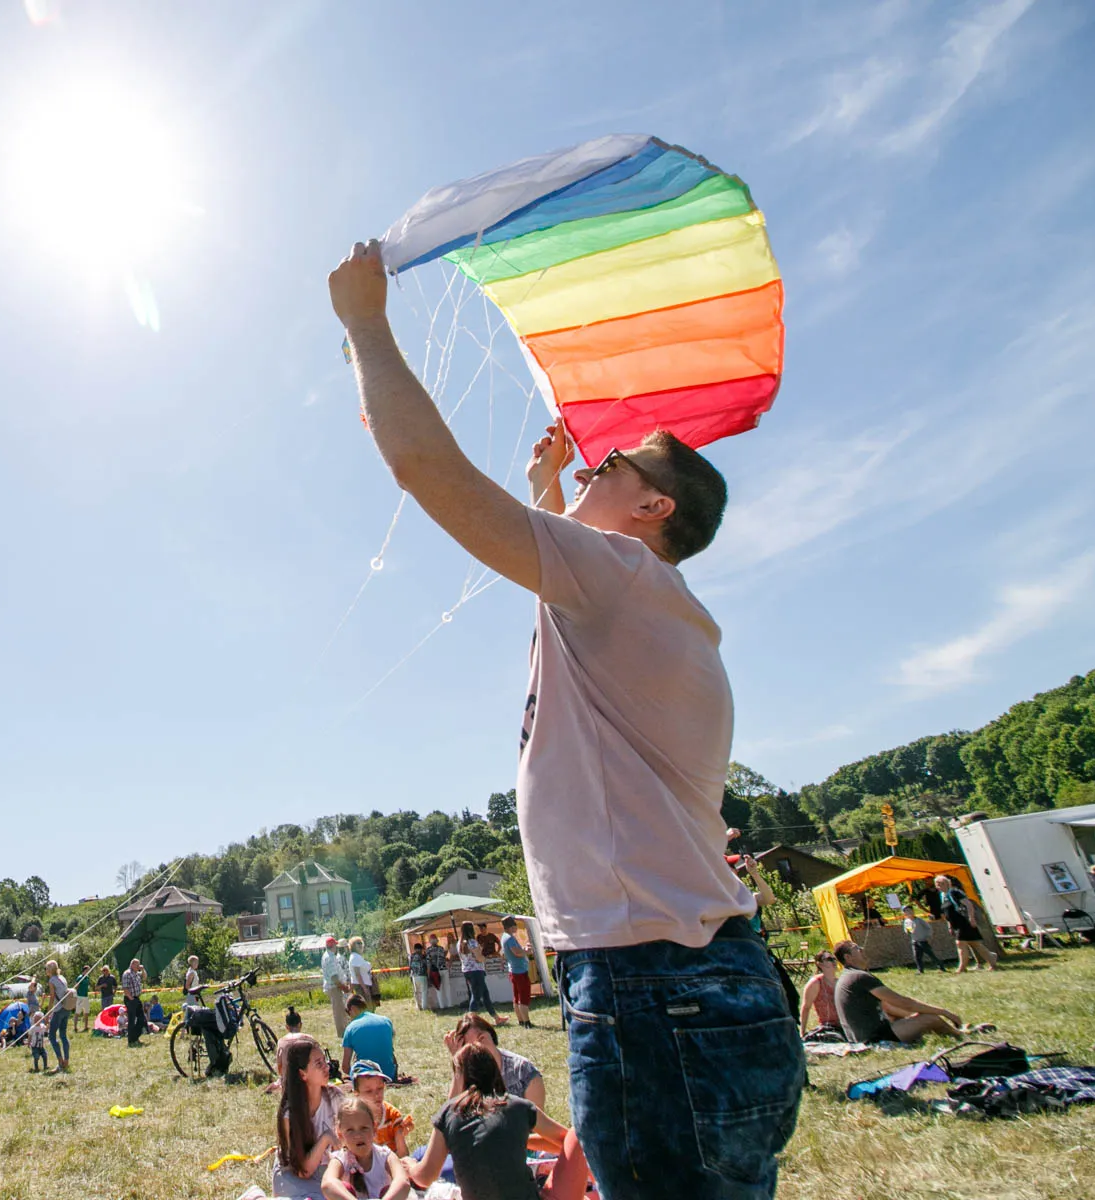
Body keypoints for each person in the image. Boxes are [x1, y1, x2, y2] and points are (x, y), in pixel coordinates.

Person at [332, 238, 804, 1200]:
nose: (600, 457)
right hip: (700, 987)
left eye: (619, 461)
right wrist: (552, 491)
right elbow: (561, 579)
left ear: (654, 506)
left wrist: (364, 323)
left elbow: (427, 469)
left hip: (653, 992)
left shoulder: (621, 575)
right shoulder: (638, 596)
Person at [405, 1044, 587, 1200]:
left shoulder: (449, 1113)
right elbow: (566, 1142)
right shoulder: (517, 1105)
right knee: (578, 1135)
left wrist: (410, 1166)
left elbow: (425, 1177)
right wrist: (517, 1141)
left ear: (459, 1077)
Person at [832, 941, 969, 1045]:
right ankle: (960, 1035)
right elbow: (905, 1003)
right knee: (931, 1019)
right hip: (874, 1039)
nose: (862, 949)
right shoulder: (859, 977)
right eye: (856, 948)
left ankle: (954, 1031)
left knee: (918, 1018)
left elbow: (888, 1006)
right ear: (848, 957)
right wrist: (945, 1012)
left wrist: (913, 1016)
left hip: (860, 1037)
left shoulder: (849, 976)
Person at [273, 1033, 344, 1199]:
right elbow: (302, 1171)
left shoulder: (335, 1097)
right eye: (318, 1064)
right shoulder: (290, 1115)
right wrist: (326, 1138)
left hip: (329, 1170)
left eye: (324, 1061)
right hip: (294, 1176)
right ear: (303, 1074)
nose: (326, 1067)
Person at [322, 1094, 413, 1200]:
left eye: (364, 1128)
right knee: (343, 1188)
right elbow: (327, 1184)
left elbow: (403, 1181)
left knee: (388, 1189)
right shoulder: (340, 1159)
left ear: (374, 1129)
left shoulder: (384, 1155)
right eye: (350, 1130)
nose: (358, 1135)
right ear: (340, 1134)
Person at [445, 1013, 544, 1111]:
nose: (480, 1047)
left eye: (482, 1038)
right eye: (472, 1045)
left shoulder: (523, 1070)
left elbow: (538, 1121)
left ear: (491, 1035)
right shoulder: (467, 1071)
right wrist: (459, 1063)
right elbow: (449, 1116)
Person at [351, 1060, 413, 1157]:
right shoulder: (352, 1119)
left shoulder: (392, 1116)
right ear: (356, 1093)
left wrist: (400, 1133)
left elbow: (403, 1154)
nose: (376, 1095)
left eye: (380, 1088)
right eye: (368, 1091)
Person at [935, 875, 997, 972]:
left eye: (940, 884)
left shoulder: (955, 892)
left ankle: (962, 968)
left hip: (964, 922)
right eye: (937, 885)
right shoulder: (943, 896)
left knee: (960, 943)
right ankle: (992, 961)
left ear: (946, 883)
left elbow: (969, 905)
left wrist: (971, 918)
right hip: (956, 924)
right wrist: (949, 926)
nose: (938, 886)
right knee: (976, 944)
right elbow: (947, 912)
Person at [340, 994, 398, 1081]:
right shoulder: (386, 1021)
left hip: (366, 1077)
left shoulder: (350, 1028)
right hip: (389, 1074)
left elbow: (345, 1067)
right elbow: (390, 1051)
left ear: (352, 1009)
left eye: (348, 1013)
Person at [456, 922, 504, 1024]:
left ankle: (496, 1018)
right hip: (476, 971)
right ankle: (469, 1023)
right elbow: (479, 958)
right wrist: (484, 957)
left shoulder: (459, 943)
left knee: (485, 994)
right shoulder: (472, 942)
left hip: (467, 971)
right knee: (476, 996)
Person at [798, 950, 843, 1038]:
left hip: (844, 1026)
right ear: (820, 964)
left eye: (834, 959)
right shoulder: (816, 982)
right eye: (829, 959)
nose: (834, 961)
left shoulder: (840, 982)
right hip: (828, 1026)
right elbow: (806, 1007)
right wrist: (802, 1032)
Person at [499, 918, 534, 1028]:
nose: (516, 928)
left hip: (513, 970)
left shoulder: (504, 937)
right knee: (523, 997)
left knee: (516, 997)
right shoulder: (509, 938)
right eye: (515, 925)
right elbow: (517, 952)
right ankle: (527, 1022)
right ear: (511, 926)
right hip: (519, 971)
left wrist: (523, 949)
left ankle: (521, 1021)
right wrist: (527, 951)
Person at [44, 959, 74, 1073]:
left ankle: (60, 1062)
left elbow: (52, 997)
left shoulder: (52, 980)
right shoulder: (62, 978)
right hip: (66, 1009)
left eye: (46, 968)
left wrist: (48, 1013)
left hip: (58, 1010)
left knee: (52, 1036)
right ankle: (66, 1061)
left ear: (50, 970)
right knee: (63, 1035)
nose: (45, 970)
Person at [320, 935, 351, 1036]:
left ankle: (343, 1030)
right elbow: (334, 978)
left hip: (334, 987)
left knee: (340, 1009)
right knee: (339, 1011)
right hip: (334, 987)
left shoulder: (327, 956)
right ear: (333, 946)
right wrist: (344, 987)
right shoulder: (330, 958)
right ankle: (342, 1032)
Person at [902, 907, 946, 972]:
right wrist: (908, 930)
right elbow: (907, 930)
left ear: (913, 911)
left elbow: (928, 927)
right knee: (917, 957)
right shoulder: (906, 921)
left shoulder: (919, 920)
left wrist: (928, 935)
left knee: (931, 954)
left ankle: (940, 966)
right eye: (907, 911)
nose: (909, 912)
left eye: (910, 910)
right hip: (915, 941)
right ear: (904, 913)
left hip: (922, 940)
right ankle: (920, 970)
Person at [120, 958, 146, 1047]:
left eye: (139, 965)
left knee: (142, 1019)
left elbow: (145, 977)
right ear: (132, 965)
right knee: (131, 1020)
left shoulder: (136, 974)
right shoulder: (127, 974)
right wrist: (131, 998)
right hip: (130, 999)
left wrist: (142, 969)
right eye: (137, 965)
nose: (138, 966)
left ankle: (135, 1036)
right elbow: (125, 988)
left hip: (137, 998)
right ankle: (131, 1040)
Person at [347, 937, 376, 1010]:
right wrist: (364, 988)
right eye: (358, 943)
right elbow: (357, 975)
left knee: (370, 1006)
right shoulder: (355, 957)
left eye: (361, 943)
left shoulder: (358, 957)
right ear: (353, 946)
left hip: (364, 984)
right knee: (366, 1007)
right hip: (361, 986)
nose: (360, 945)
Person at [423, 936, 447, 1007]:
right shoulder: (441, 948)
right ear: (437, 940)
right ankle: (449, 1004)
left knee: (438, 988)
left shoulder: (428, 950)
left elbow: (428, 963)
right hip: (443, 969)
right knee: (446, 988)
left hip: (435, 971)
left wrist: (428, 973)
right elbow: (443, 958)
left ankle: (442, 1006)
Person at [408, 941, 429, 1011]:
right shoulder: (423, 956)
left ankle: (418, 1006)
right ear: (420, 949)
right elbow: (427, 964)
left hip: (414, 976)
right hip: (422, 975)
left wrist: (410, 975)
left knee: (417, 992)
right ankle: (424, 1007)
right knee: (424, 991)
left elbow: (410, 966)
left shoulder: (412, 956)